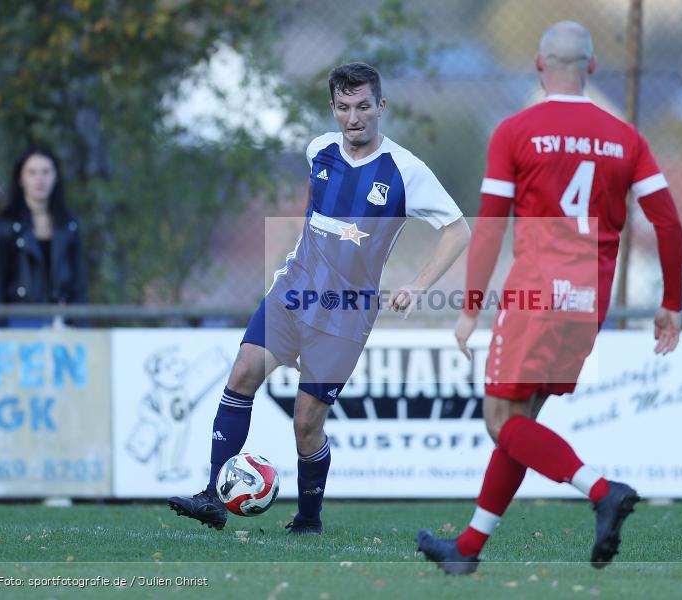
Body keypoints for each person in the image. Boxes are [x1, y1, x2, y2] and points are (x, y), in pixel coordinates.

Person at [416, 21, 682, 573]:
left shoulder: (516, 131)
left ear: (539, 63)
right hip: (590, 299)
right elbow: (668, 222)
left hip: (538, 292)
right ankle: (468, 550)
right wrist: (672, 303)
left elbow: (489, 225)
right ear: (591, 67)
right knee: (521, 424)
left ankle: (601, 490)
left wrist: (469, 309)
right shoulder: (625, 138)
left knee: (500, 420)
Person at [169, 62, 470, 532]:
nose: (355, 117)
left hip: (345, 316)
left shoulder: (406, 171)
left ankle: (308, 519)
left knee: (306, 423)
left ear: (381, 107)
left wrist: (417, 284)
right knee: (244, 371)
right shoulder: (318, 151)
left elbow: (457, 231)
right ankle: (212, 495)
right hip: (294, 291)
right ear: (333, 108)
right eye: (345, 107)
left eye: (364, 107)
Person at [0, 145, 88, 324]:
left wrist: (78, 323)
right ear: (21, 179)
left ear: (55, 177)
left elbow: (78, 285)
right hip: (16, 324)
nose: (40, 179)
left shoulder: (69, 226)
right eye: (32, 172)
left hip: (60, 324)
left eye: (46, 172)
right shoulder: (3, 227)